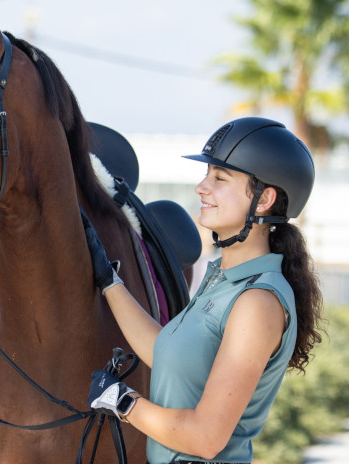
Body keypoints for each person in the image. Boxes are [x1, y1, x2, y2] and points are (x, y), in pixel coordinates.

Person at [85, 117, 324, 464]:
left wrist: (123, 402)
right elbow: (166, 352)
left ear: (263, 200)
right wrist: (109, 281)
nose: (201, 187)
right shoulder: (223, 279)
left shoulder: (257, 301)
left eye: (219, 178)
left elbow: (205, 438)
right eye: (206, 174)